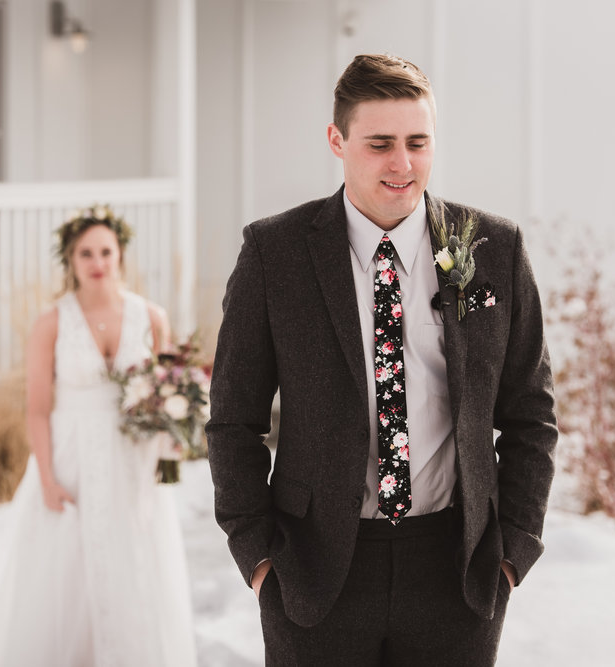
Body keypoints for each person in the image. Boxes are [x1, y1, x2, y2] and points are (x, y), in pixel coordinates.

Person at [206, 53, 557, 665]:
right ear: (337, 141)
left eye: (418, 143)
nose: (402, 164)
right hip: (314, 571)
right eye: (380, 144)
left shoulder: (493, 249)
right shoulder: (274, 253)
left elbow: (531, 413)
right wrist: (259, 554)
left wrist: (512, 551)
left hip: (457, 571)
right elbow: (233, 418)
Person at [0, 206, 198, 666]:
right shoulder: (51, 322)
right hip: (70, 458)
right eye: (85, 253)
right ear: (70, 260)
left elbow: (169, 394)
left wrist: (171, 443)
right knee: (66, 574)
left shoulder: (151, 317)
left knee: (134, 565)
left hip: (133, 461)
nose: (97, 262)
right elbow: (38, 408)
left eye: (105, 251)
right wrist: (46, 476)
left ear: (120, 255)